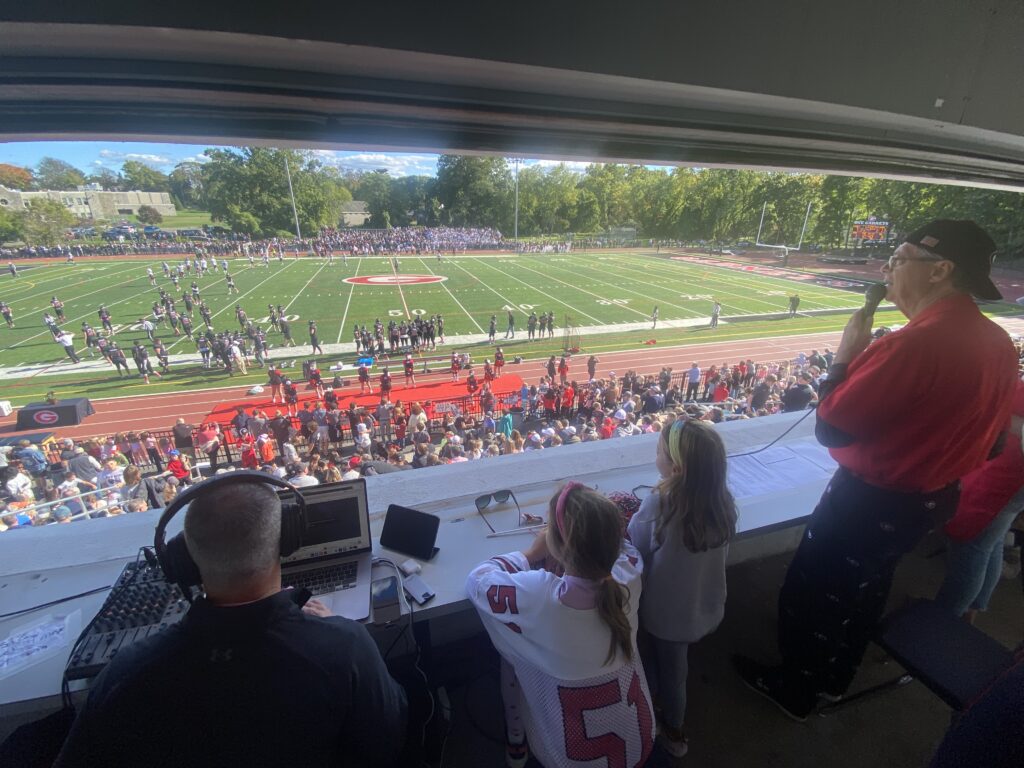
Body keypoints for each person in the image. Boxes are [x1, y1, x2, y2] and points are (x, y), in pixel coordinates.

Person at [733, 220, 1019, 721]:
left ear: (941, 270)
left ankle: (798, 689)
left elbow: (831, 429)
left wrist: (845, 357)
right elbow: (995, 441)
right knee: (869, 584)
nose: (887, 267)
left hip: (871, 501)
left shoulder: (915, 344)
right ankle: (838, 674)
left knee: (814, 590)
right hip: (933, 499)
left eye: (900, 258)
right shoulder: (998, 342)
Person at [54, 478, 407, 767]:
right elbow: (389, 740)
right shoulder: (345, 648)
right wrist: (337, 630)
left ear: (184, 561)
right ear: (286, 542)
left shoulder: (124, 674)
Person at [466, 483, 655, 768]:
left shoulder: (540, 597)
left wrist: (530, 554)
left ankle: (516, 739)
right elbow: (617, 545)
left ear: (557, 544)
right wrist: (569, 548)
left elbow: (478, 579)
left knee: (514, 648)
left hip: (568, 759)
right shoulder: (630, 573)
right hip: (639, 747)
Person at [627, 419, 736, 757]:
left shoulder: (660, 502)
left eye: (660, 450)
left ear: (675, 466)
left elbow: (636, 546)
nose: (655, 453)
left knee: (671, 671)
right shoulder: (723, 501)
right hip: (706, 605)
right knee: (674, 661)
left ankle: (673, 730)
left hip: (667, 617)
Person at [935, 378, 1024, 620]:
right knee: (988, 542)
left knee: (971, 545)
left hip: (1009, 474)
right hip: (1004, 463)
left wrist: (996, 413)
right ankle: (973, 609)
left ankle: (944, 621)